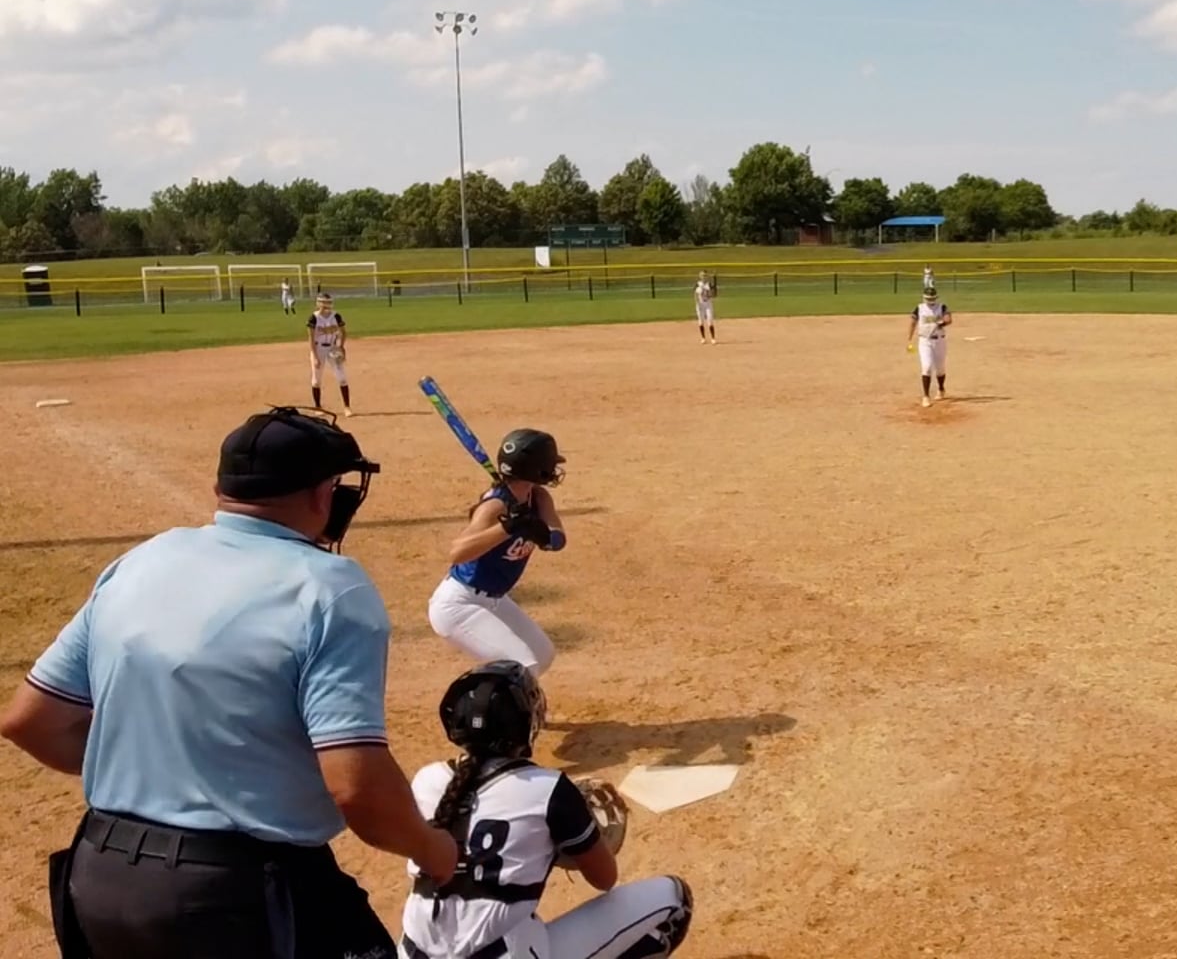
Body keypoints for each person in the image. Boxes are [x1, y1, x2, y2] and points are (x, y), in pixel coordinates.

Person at [1, 405, 457, 959]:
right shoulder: (330, 587)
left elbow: (31, 722)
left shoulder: (141, 560)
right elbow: (357, 787)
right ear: (322, 495)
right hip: (234, 894)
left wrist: (173, 771)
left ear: (221, 489)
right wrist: (432, 849)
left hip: (100, 878)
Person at [400, 660, 694, 958]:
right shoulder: (551, 790)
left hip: (412, 954)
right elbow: (604, 878)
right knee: (674, 899)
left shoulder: (425, 780)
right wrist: (565, 836)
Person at [428, 429, 569, 676]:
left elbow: (558, 539)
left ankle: (507, 697)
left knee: (542, 654)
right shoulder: (495, 505)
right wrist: (507, 527)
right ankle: (487, 699)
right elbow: (458, 552)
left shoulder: (538, 497)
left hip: (495, 599)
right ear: (536, 470)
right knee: (522, 666)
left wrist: (544, 537)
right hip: (460, 603)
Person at [906, 284, 953, 408]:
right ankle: (926, 396)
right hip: (925, 341)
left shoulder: (941, 307)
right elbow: (913, 322)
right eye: (928, 299)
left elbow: (948, 319)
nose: (930, 301)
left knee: (940, 368)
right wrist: (909, 339)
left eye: (932, 298)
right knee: (926, 367)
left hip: (939, 340)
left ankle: (941, 389)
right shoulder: (919, 308)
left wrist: (942, 323)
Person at [308, 292, 352, 417]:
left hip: (332, 349)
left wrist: (341, 347)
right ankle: (318, 407)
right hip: (318, 348)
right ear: (319, 304)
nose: (326, 305)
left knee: (342, 378)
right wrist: (315, 356)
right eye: (324, 303)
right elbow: (311, 339)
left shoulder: (336, 316)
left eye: (328, 303)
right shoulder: (314, 318)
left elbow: (343, 332)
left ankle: (347, 407)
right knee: (316, 380)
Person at [694, 271, 717, 344]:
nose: (703, 277)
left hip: (708, 304)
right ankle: (703, 338)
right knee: (701, 321)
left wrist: (715, 280)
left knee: (710, 320)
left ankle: (713, 338)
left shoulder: (709, 284)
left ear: (707, 277)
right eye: (702, 275)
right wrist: (697, 302)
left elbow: (714, 294)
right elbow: (695, 294)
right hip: (700, 305)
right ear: (700, 276)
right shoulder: (698, 284)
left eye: (705, 275)